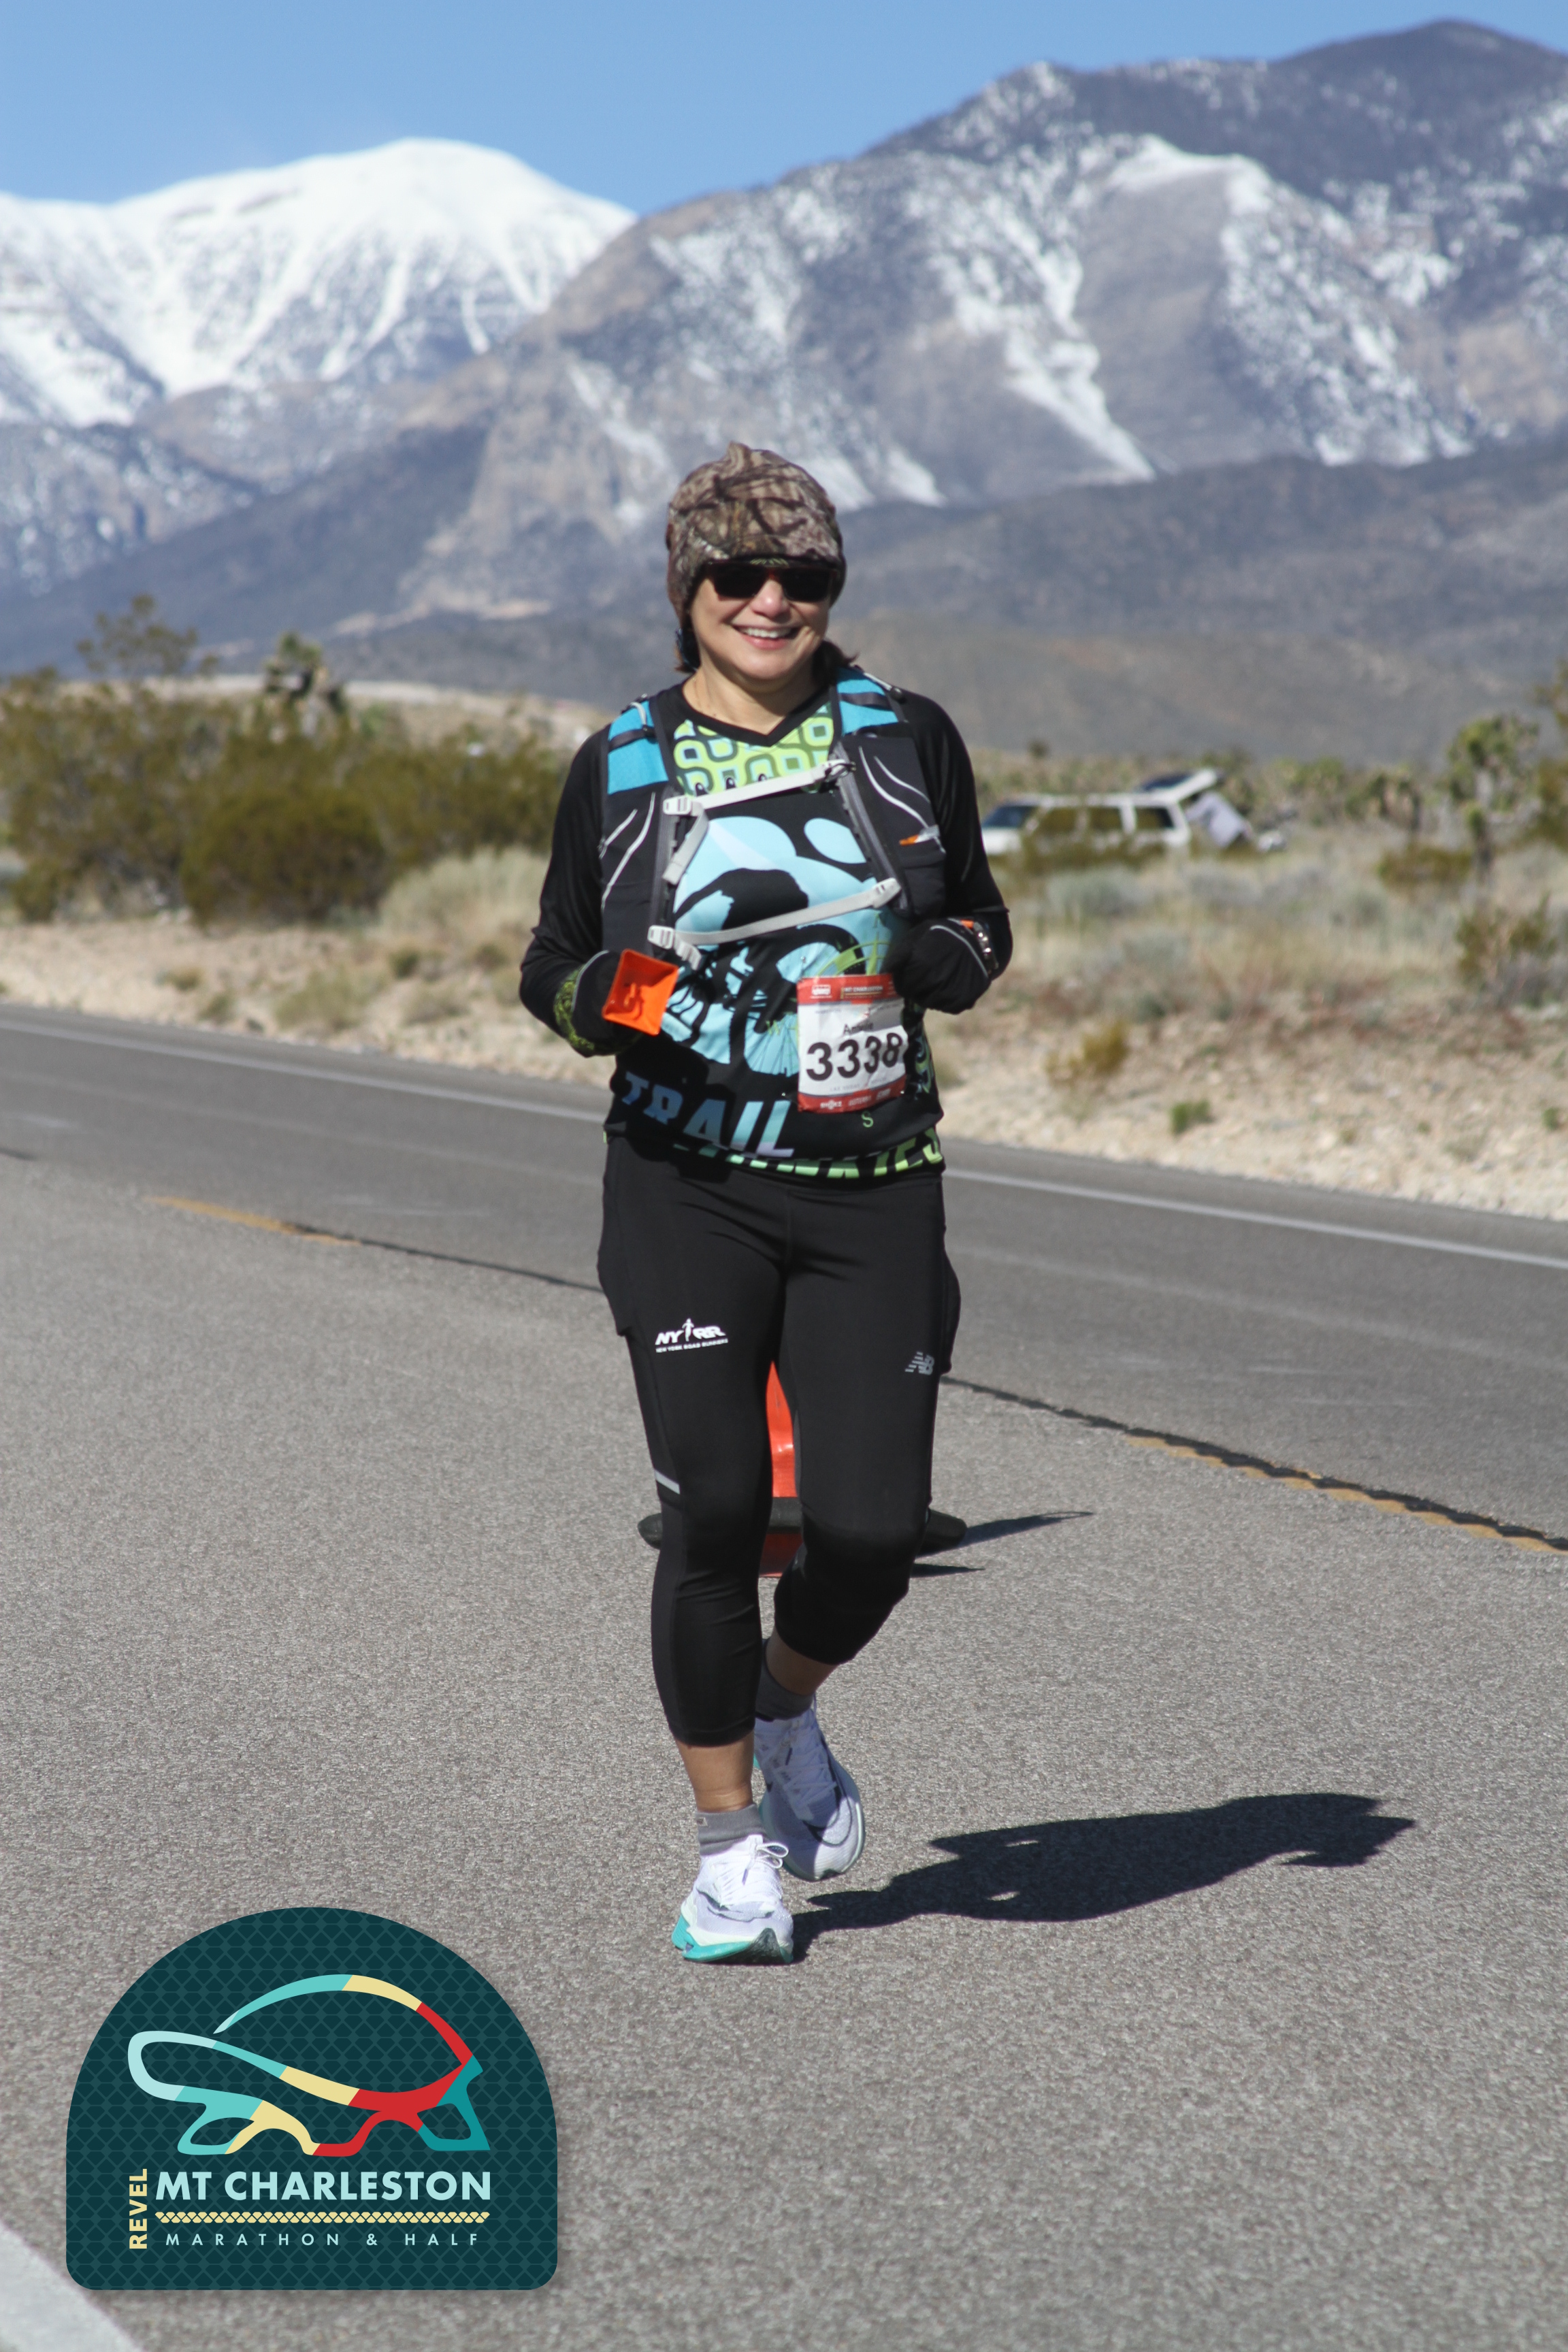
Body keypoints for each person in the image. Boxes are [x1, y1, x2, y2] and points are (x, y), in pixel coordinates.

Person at [521, 442, 1010, 1963]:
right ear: (689, 589)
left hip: (873, 1187)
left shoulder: (906, 736)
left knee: (868, 1535)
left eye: (805, 575)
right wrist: (622, 996)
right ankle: (730, 1852)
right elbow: (551, 969)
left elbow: (982, 931)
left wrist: (931, 961)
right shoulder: (620, 762)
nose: (772, 599)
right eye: (739, 574)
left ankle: (785, 1707)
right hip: (687, 1188)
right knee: (719, 1511)